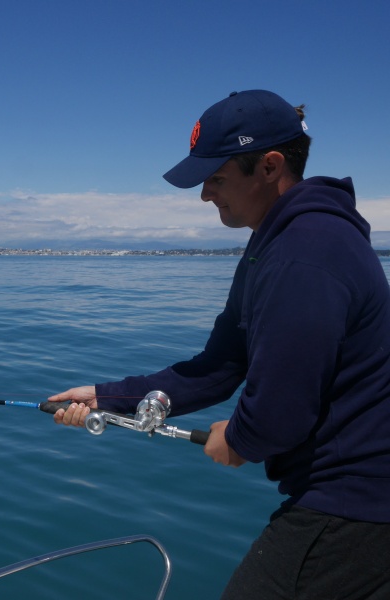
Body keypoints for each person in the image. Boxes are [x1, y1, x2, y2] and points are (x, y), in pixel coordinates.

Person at [49, 90, 390, 599]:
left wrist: (239, 440)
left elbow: (281, 412)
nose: (205, 194)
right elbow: (221, 364)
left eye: (216, 178)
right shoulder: (271, 246)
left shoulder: (305, 254)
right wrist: (106, 396)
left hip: (356, 507)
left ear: (270, 165)